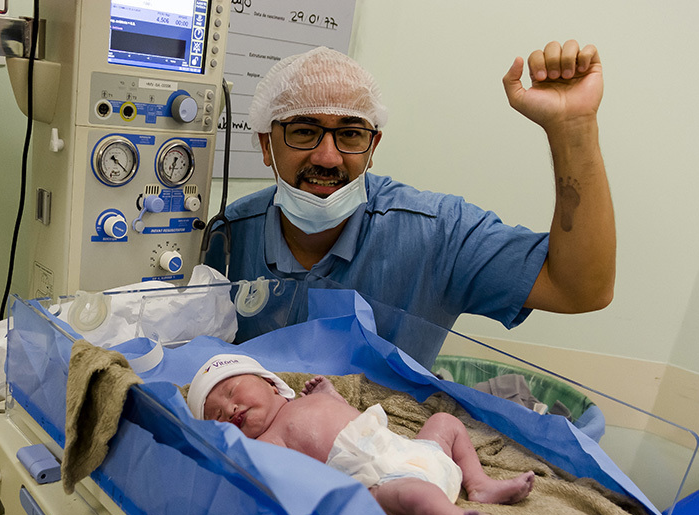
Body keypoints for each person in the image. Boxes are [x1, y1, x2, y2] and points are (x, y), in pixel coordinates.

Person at [211, 43, 614, 367]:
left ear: (373, 148)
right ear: (266, 144)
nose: (328, 157)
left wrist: (572, 129)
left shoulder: (437, 234)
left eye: (350, 134)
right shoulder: (227, 238)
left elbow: (579, 290)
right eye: (304, 131)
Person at [187, 354, 533, 515]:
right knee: (418, 495)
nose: (228, 407)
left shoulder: (305, 401)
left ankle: (479, 484)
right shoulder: (265, 443)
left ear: (273, 384)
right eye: (216, 415)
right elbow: (280, 478)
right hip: (379, 483)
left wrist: (330, 395)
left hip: (411, 452)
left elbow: (347, 413)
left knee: (445, 422)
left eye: (231, 390)